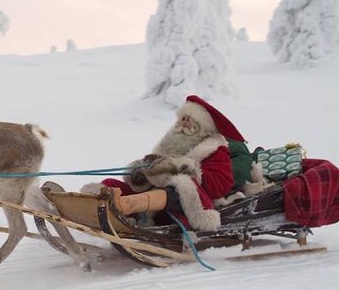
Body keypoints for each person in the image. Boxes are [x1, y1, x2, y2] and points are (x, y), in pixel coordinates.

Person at [82, 95, 267, 231]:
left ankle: (123, 206)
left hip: (191, 203)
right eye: (182, 118)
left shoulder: (214, 149)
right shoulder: (170, 143)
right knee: (113, 184)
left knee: (179, 185)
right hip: (157, 204)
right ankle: (91, 202)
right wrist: (142, 172)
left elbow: (221, 184)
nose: (184, 123)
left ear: (203, 126)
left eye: (190, 119)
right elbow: (152, 178)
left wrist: (185, 168)